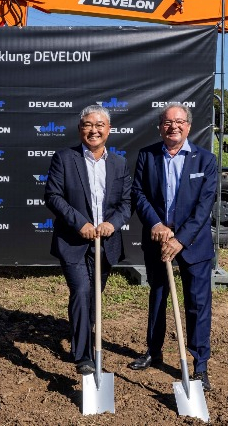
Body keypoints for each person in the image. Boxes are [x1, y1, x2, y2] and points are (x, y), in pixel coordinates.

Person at [128, 102, 217, 391]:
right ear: (160, 127)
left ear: (188, 126)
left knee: (197, 304)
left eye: (179, 121)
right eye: (167, 122)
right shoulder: (147, 156)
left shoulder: (205, 160)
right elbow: (139, 194)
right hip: (157, 240)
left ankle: (199, 365)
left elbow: (204, 208)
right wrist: (155, 224)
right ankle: (153, 352)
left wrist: (180, 240)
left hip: (193, 244)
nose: (173, 126)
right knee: (157, 297)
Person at [44, 105, 132, 375]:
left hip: (105, 244)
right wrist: (79, 223)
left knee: (94, 296)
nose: (94, 130)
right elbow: (53, 196)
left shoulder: (119, 163)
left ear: (108, 130)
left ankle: (84, 333)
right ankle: (83, 355)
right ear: (80, 129)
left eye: (99, 125)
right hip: (73, 241)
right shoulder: (64, 159)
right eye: (88, 125)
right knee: (81, 291)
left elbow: (126, 204)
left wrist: (111, 224)